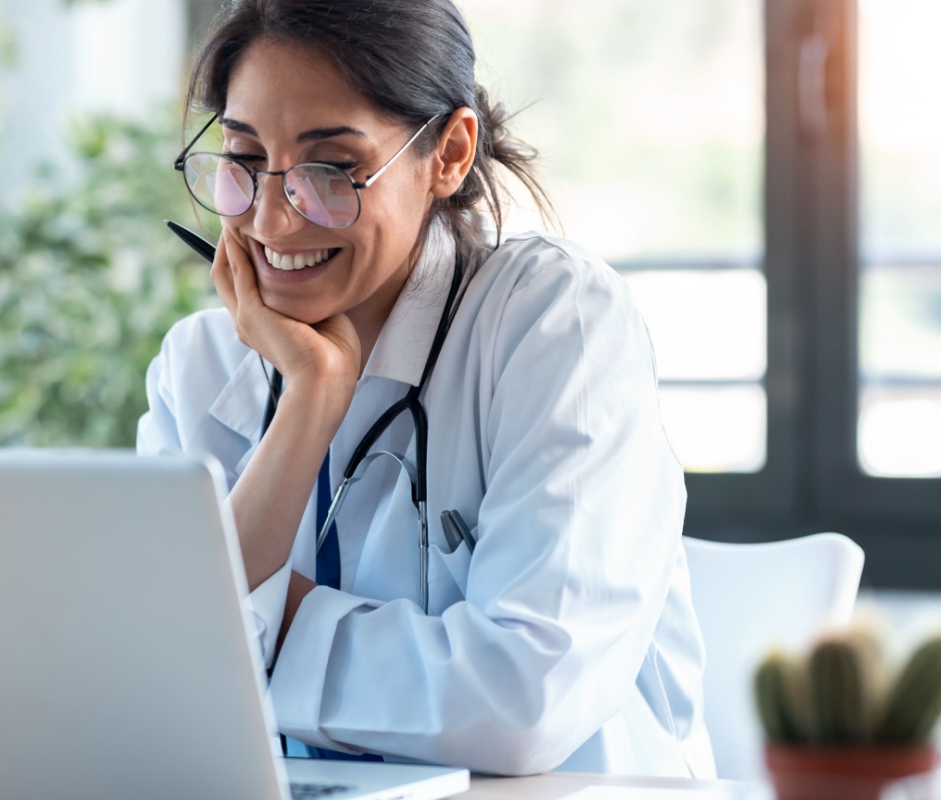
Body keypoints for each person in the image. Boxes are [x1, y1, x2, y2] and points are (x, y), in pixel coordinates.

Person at [137, 0, 715, 779]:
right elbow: (155, 689)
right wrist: (309, 400)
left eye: (331, 169)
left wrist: (264, 629)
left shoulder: (553, 322)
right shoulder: (200, 366)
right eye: (243, 161)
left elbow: (522, 703)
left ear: (448, 152)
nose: (273, 219)